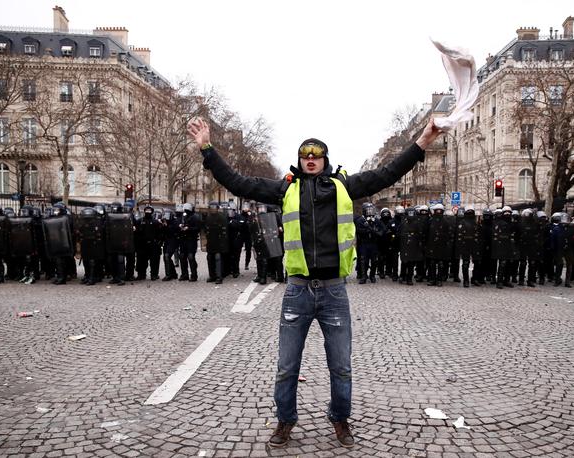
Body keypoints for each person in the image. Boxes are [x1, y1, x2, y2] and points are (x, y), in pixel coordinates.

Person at [188, 116, 441, 448]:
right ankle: (284, 422)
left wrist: (422, 141)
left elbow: (388, 173)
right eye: (305, 155)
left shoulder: (344, 186)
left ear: (324, 160)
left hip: (334, 290)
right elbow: (238, 182)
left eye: (316, 155)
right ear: (300, 160)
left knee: (341, 366)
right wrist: (207, 148)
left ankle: (340, 418)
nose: (311, 159)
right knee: (286, 366)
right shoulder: (286, 189)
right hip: (298, 290)